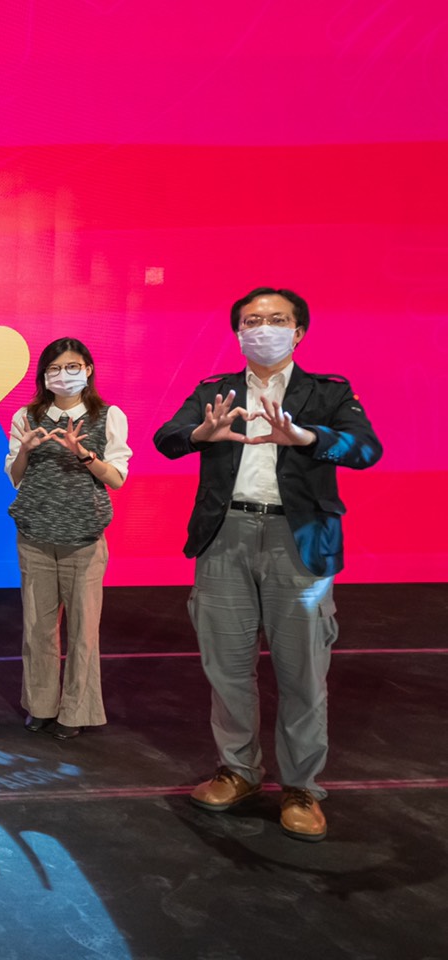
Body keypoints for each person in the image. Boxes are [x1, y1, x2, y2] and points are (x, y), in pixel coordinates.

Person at [154, 287, 381, 842]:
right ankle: (238, 770)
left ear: (298, 331)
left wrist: (306, 437)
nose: (263, 328)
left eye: (276, 319)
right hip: (224, 535)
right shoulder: (216, 389)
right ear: (237, 333)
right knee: (226, 667)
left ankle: (301, 786)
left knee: (302, 670)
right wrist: (199, 434)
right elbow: (167, 439)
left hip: (299, 542)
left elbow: (367, 449)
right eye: (252, 320)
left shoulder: (327, 391)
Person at [4, 338, 131, 740]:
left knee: (83, 632)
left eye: (72, 367)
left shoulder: (107, 415)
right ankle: (40, 706)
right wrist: (25, 450)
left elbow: (117, 478)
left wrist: (84, 454)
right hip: (35, 535)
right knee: (37, 628)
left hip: (84, 538)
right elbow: (15, 477)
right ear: (44, 375)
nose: (64, 375)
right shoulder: (27, 416)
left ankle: (76, 711)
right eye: (54, 369)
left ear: (88, 369)